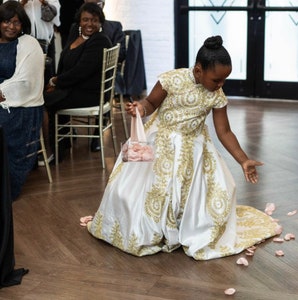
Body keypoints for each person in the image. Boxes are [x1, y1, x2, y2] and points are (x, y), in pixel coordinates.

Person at [82, 36, 279, 260]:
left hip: (193, 149)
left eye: (224, 79)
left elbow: (224, 131)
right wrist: (140, 108)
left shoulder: (216, 95)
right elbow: (151, 103)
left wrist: (243, 159)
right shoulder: (171, 80)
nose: (221, 84)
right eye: (217, 79)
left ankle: (183, 225)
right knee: (146, 191)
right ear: (198, 71)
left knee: (193, 195)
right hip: (161, 142)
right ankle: (150, 228)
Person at [42, 2, 112, 163]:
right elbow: (64, 63)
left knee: (44, 101)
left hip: (89, 93)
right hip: (75, 87)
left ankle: (53, 151)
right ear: (79, 21)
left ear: (100, 22)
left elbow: (80, 72)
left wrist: (55, 82)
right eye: (85, 19)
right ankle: (64, 142)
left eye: (94, 20)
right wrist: (57, 83)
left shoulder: (100, 40)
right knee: (46, 95)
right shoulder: (76, 34)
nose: (89, 24)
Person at [0, 1, 44, 200]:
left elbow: (26, 81)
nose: (11, 26)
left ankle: (6, 187)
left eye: (16, 22)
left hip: (20, 107)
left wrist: (1, 92)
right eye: (6, 21)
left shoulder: (28, 43)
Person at [4, 0, 61, 80]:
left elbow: (56, 20)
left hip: (46, 42)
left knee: (46, 77)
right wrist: (22, 3)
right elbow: (6, 15)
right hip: (20, 43)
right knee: (22, 75)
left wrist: (44, 2)